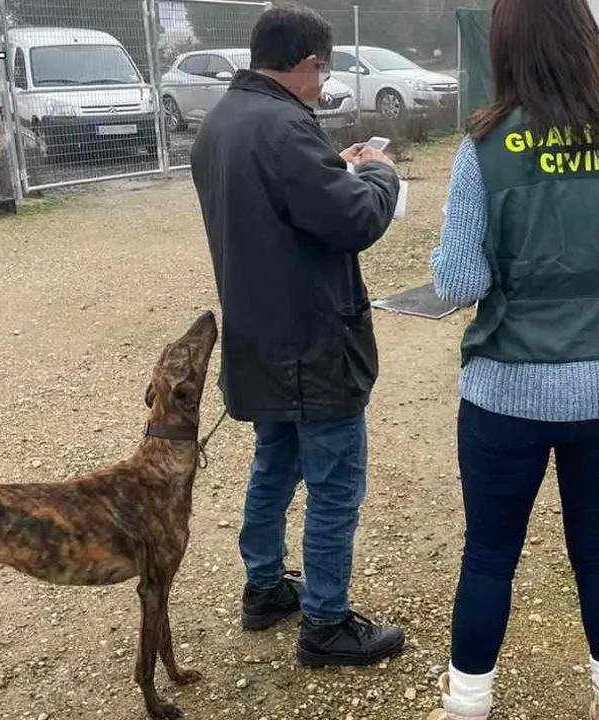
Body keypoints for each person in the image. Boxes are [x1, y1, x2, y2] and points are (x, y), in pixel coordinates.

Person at [425, 0, 599, 716]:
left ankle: (468, 703)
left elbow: (460, 282)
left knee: (490, 555)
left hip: (509, 389)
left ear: (504, 48)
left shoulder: (484, 145)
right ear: (585, 37)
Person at [189, 2, 405, 668]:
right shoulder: (285, 128)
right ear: (312, 63)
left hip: (256, 336)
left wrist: (330, 164)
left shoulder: (221, 122)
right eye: (324, 68)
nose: (323, 79)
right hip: (313, 340)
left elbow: (282, 199)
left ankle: (263, 587)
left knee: (274, 463)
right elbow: (354, 221)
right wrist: (378, 172)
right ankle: (327, 624)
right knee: (334, 484)